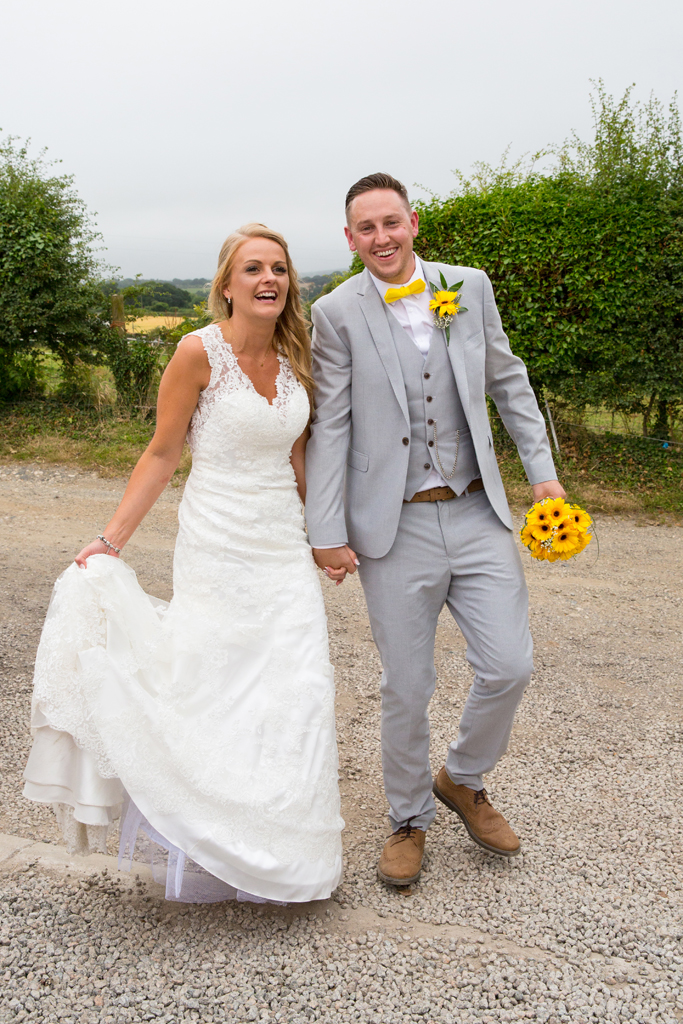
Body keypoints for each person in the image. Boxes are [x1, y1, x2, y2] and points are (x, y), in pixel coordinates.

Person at [23, 223, 344, 904]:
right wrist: (110, 540)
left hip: (281, 547)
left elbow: (298, 459)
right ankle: (212, 839)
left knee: (298, 686)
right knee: (216, 684)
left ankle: (286, 854)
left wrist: (323, 537)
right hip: (217, 544)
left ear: (289, 283)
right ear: (226, 285)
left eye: (278, 268)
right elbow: (163, 452)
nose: (267, 279)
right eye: (252, 268)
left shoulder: (297, 357)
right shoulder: (197, 353)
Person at [305, 173, 565, 887]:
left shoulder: (468, 287)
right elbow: (331, 426)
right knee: (407, 683)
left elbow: (508, 381)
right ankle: (408, 818)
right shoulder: (335, 312)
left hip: (479, 510)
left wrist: (541, 473)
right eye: (366, 228)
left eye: (391, 222)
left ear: (412, 223)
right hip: (393, 525)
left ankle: (463, 777)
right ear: (351, 238)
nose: (381, 237)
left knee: (510, 665)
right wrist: (325, 528)